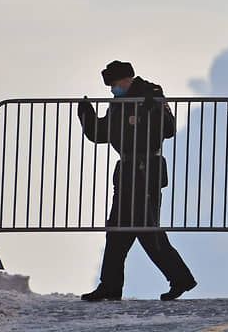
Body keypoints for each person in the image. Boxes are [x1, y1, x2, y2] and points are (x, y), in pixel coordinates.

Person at [77, 60, 197, 301]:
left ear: (126, 79)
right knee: (118, 230)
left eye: (114, 84)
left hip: (147, 168)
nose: (112, 89)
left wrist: (146, 112)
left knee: (146, 229)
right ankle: (110, 285)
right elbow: (101, 133)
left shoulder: (152, 94)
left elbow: (168, 129)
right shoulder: (118, 104)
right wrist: (86, 114)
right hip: (127, 169)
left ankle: (180, 279)